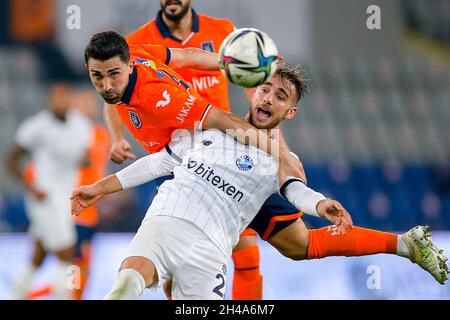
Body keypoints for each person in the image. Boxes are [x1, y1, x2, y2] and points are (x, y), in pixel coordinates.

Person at [72, 63, 448, 300]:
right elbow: (157, 163)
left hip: (230, 216)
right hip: (178, 221)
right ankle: (404, 244)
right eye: (265, 89)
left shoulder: (278, 160)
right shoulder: (210, 126)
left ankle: (404, 244)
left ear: (291, 111)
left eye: (280, 95)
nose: (268, 97)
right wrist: (98, 189)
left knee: (300, 245)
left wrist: (320, 205)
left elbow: (294, 189)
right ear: (253, 91)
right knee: (132, 282)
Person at [104, 0, 298, 298]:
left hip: (223, 151)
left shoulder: (223, 31)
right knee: (175, 269)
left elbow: (254, 85)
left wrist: (275, 143)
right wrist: (116, 137)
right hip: (175, 156)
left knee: (247, 255)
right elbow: (113, 98)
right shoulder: (136, 43)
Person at [6, 83, 92, 300]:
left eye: (64, 97)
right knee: (69, 250)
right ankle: (65, 294)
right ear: (49, 100)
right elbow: (11, 159)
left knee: (39, 255)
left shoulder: (81, 126)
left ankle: (17, 293)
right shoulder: (36, 127)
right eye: (56, 98)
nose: (60, 102)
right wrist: (31, 187)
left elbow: (84, 159)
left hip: (69, 196)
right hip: (45, 197)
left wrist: (85, 161)